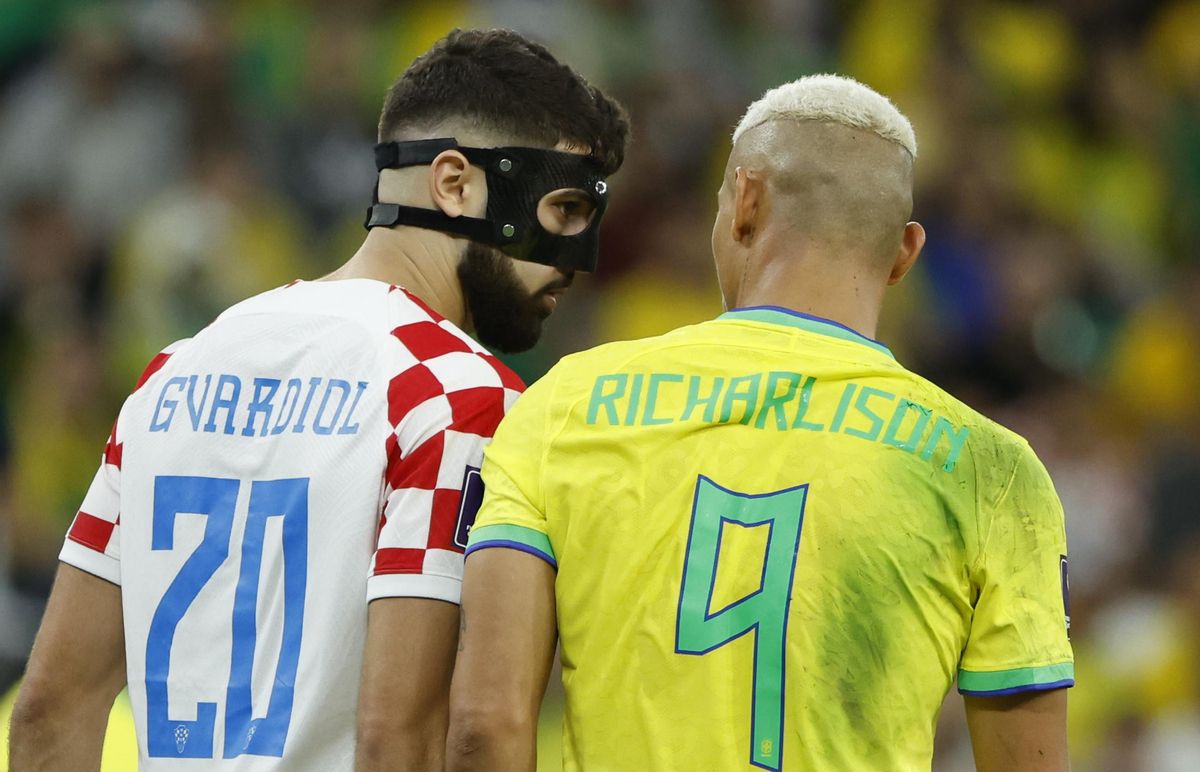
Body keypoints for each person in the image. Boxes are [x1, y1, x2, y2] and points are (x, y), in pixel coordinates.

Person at [9, 28, 628, 771]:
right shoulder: (459, 398)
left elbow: (49, 705)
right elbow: (401, 738)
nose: (575, 260)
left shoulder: (173, 373)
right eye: (562, 210)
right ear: (455, 183)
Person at [447, 74, 1072, 772]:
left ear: (745, 202)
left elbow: (484, 727)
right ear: (904, 252)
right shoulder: (992, 470)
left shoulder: (564, 406)